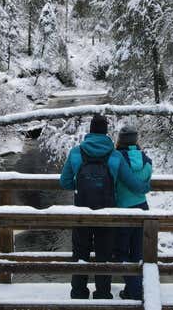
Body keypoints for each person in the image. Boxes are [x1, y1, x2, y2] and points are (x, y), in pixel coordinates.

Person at [59, 115, 151, 300]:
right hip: (107, 212)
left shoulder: (76, 152)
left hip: (81, 212)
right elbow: (132, 184)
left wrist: (80, 184)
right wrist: (146, 187)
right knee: (104, 254)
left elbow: (65, 182)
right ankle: (102, 293)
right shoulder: (114, 155)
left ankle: (78, 293)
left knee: (80, 252)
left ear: (90, 131)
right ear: (106, 132)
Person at [113, 125, 153, 300]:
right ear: (136, 140)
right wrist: (144, 187)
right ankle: (135, 289)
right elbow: (145, 181)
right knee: (138, 252)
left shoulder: (116, 159)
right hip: (142, 208)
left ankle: (134, 290)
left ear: (120, 140)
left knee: (121, 252)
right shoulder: (146, 160)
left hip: (123, 209)